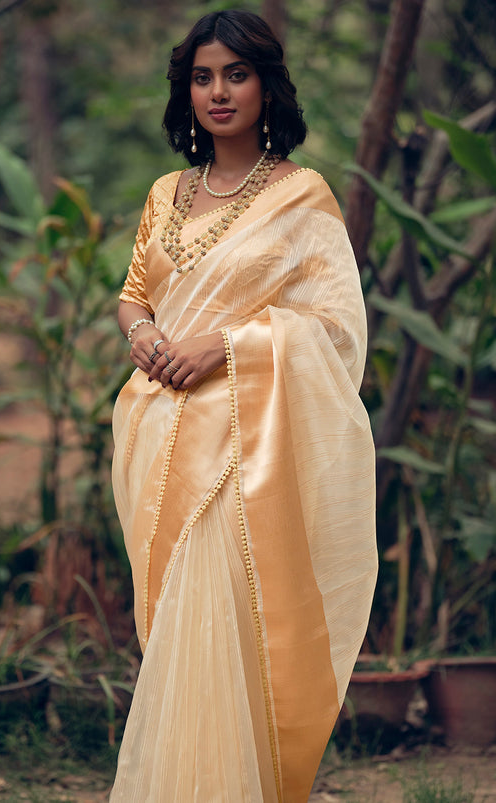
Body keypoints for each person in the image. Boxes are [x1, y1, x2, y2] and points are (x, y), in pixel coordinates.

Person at [110, 9, 378, 802]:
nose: (218, 91)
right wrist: (145, 331)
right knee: (174, 635)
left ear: (266, 84)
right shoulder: (166, 193)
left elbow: (333, 330)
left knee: (226, 617)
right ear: (184, 89)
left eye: (236, 73)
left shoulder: (302, 196)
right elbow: (132, 295)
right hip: (156, 434)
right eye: (202, 76)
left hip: (243, 442)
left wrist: (225, 346)